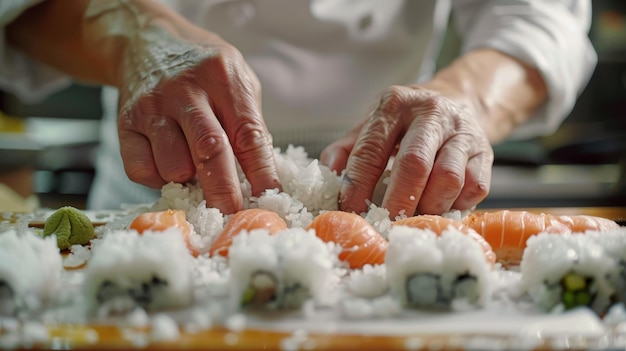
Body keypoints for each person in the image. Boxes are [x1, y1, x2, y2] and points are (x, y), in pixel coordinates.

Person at [0, 0, 596, 218]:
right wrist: (135, 34)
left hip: (391, 200)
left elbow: (542, 20)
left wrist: (463, 98)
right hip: (158, 197)